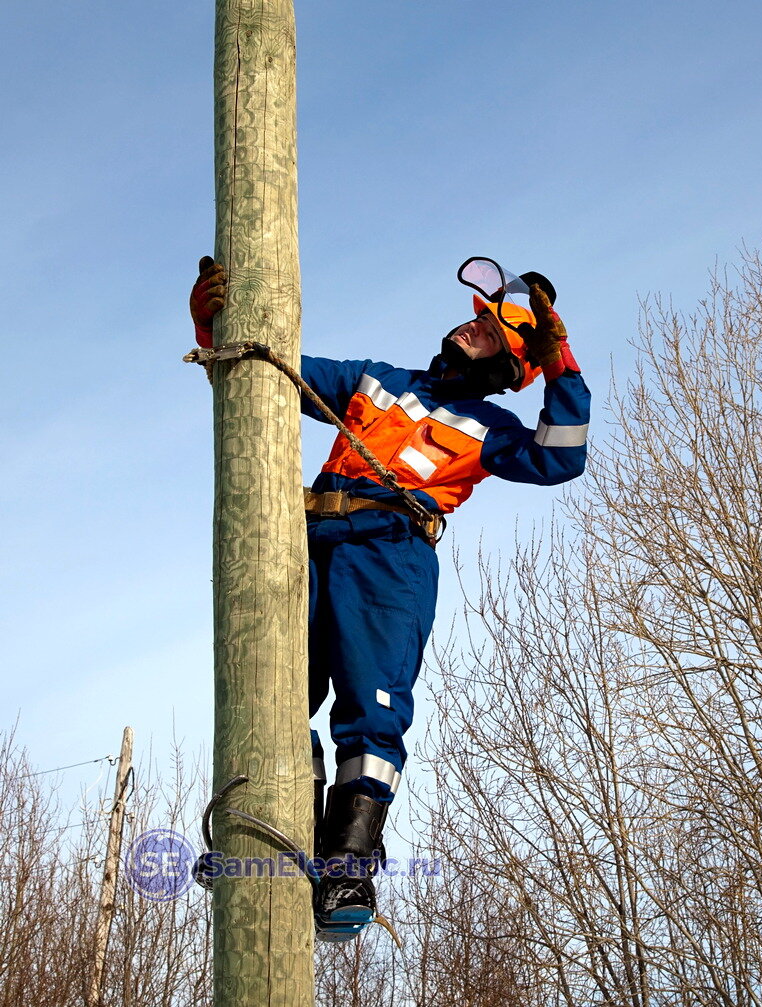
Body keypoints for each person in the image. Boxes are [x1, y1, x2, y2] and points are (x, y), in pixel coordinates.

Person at [190, 256, 591, 940]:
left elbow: (562, 455)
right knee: (270, 688)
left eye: (491, 332)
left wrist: (562, 363)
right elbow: (271, 369)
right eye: (475, 319)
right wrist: (212, 323)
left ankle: (346, 864)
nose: (472, 329)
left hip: (391, 555)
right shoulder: (379, 381)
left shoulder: (491, 425)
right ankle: (267, 837)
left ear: (508, 366)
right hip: (303, 543)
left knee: (371, 710)